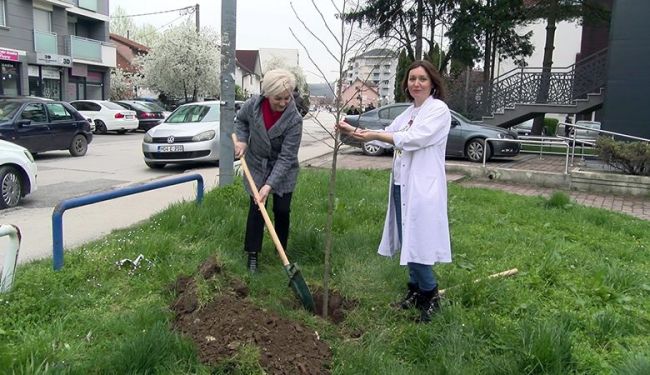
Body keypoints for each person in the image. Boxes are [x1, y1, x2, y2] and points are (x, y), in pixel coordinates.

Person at [336, 60, 452, 323]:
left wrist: (374, 136)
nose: (416, 84)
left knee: (419, 240)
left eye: (422, 79)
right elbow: (389, 132)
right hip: (402, 184)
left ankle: (430, 295)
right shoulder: (410, 111)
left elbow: (413, 138)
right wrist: (354, 131)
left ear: (432, 82)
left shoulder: (438, 110)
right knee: (407, 237)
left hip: (423, 187)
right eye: (412, 79)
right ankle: (414, 290)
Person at [233, 69, 304, 273]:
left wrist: (269, 185)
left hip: (283, 169)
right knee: (256, 209)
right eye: (278, 99)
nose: (283, 103)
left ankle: (280, 248)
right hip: (256, 164)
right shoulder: (253, 106)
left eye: (287, 97)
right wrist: (243, 141)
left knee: (282, 210)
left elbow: (286, 157)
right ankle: (252, 254)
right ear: (266, 95)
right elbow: (241, 121)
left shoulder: (294, 120)